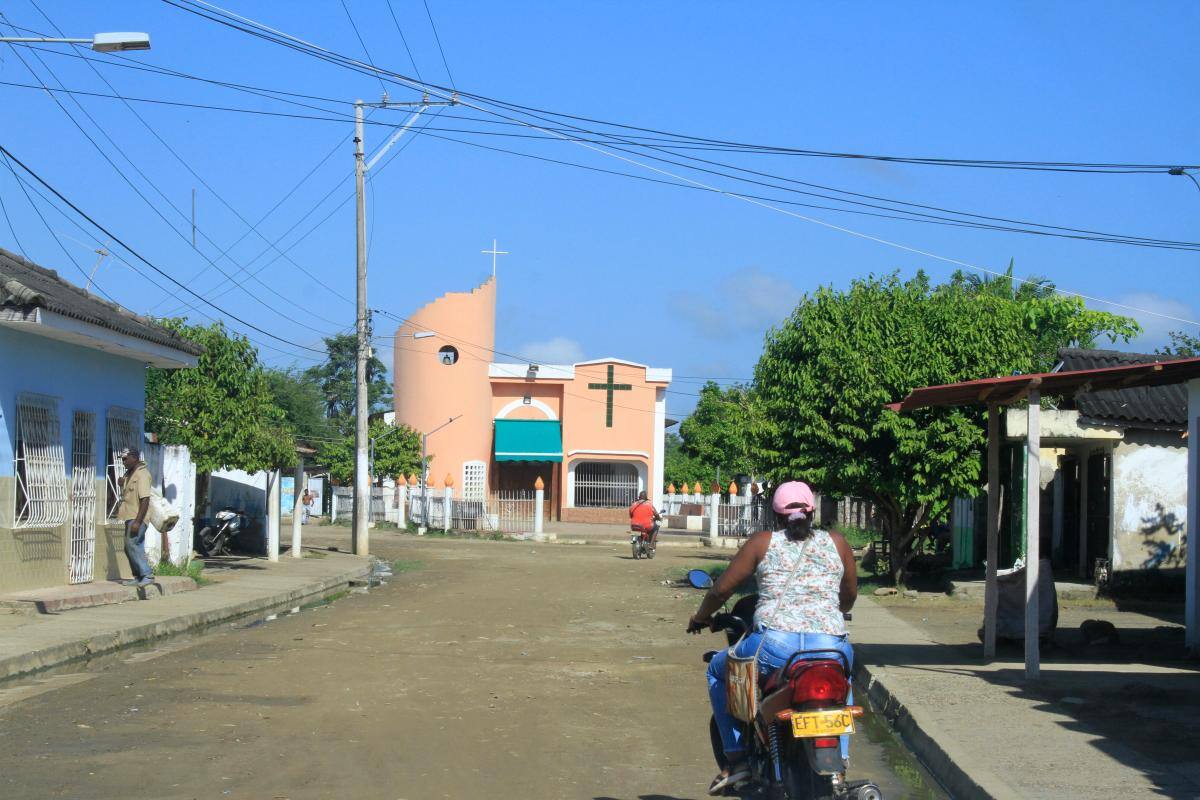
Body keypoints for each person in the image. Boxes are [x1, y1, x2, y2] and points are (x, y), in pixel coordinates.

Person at [687, 480, 857, 795]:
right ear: (812, 511)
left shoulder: (762, 543)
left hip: (776, 648)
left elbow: (721, 589)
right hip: (832, 645)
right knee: (841, 681)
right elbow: (848, 595)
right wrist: (835, 611)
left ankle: (736, 761)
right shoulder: (837, 542)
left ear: (776, 515)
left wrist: (700, 618)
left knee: (717, 670)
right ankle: (841, 764)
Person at [117, 447, 155, 588]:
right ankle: (138, 576)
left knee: (133, 544)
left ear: (134, 457)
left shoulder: (142, 474)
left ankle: (147, 574)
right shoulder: (130, 474)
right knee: (129, 547)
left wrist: (138, 522)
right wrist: (122, 483)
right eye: (122, 459)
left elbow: (145, 499)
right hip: (129, 515)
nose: (123, 462)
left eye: (125, 459)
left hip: (138, 516)